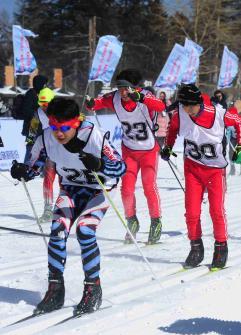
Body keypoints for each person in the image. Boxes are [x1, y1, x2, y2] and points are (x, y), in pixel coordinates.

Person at [10, 98, 126, 315]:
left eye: (64, 128)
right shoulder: (46, 137)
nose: (59, 133)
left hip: (97, 191)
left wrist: (101, 164)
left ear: (76, 122)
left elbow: (120, 167)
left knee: (84, 230)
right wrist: (23, 171)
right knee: (57, 231)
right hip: (70, 190)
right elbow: (34, 167)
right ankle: (56, 289)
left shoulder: (94, 135)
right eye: (54, 127)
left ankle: (93, 287)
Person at [160, 84, 241, 269]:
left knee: (216, 211)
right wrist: (167, 146)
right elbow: (172, 128)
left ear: (199, 102)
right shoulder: (180, 114)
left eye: (190, 106)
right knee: (191, 212)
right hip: (192, 169)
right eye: (184, 106)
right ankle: (196, 248)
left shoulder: (218, 113)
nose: (187, 110)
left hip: (215, 170)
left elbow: (239, 122)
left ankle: (221, 247)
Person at [85, 69, 166, 244]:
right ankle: (132, 221)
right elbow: (98, 103)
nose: (122, 92)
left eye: (125, 88)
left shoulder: (144, 96)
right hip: (129, 150)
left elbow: (160, 106)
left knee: (148, 186)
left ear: (134, 88)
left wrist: (142, 98)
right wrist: (91, 103)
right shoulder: (115, 98)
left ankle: (156, 221)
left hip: (149, 150)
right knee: (126, 189)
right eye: (119, 88)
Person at [33, 87, 57, 222]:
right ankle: (48, 210)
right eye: (41, 104)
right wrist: (30, 138)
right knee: (48, 178)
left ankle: (68, 208)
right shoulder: (38, 111)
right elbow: (34, 123)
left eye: (46, 104)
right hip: (50, 150)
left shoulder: (61, 111)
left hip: (65, 151)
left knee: (66, 181)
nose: (43, 107)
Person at [20, 75, 48, 162]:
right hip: (32, 128)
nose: (45, 86)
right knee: (30, 149)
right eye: (44, 84)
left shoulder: (43, 95)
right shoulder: (30, 94)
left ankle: (41, 170)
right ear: (39, 84)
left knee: (44, 150)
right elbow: (26, 110)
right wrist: (38, 113)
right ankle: (25, 170)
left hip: (42, 127)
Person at [226, 106, 241, 176]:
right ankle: (232, 169)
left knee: (240, 154)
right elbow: (227, 131)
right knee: (231, 153)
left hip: (240, 139)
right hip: (233, 138)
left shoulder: (240, 120)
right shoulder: (228, 120)